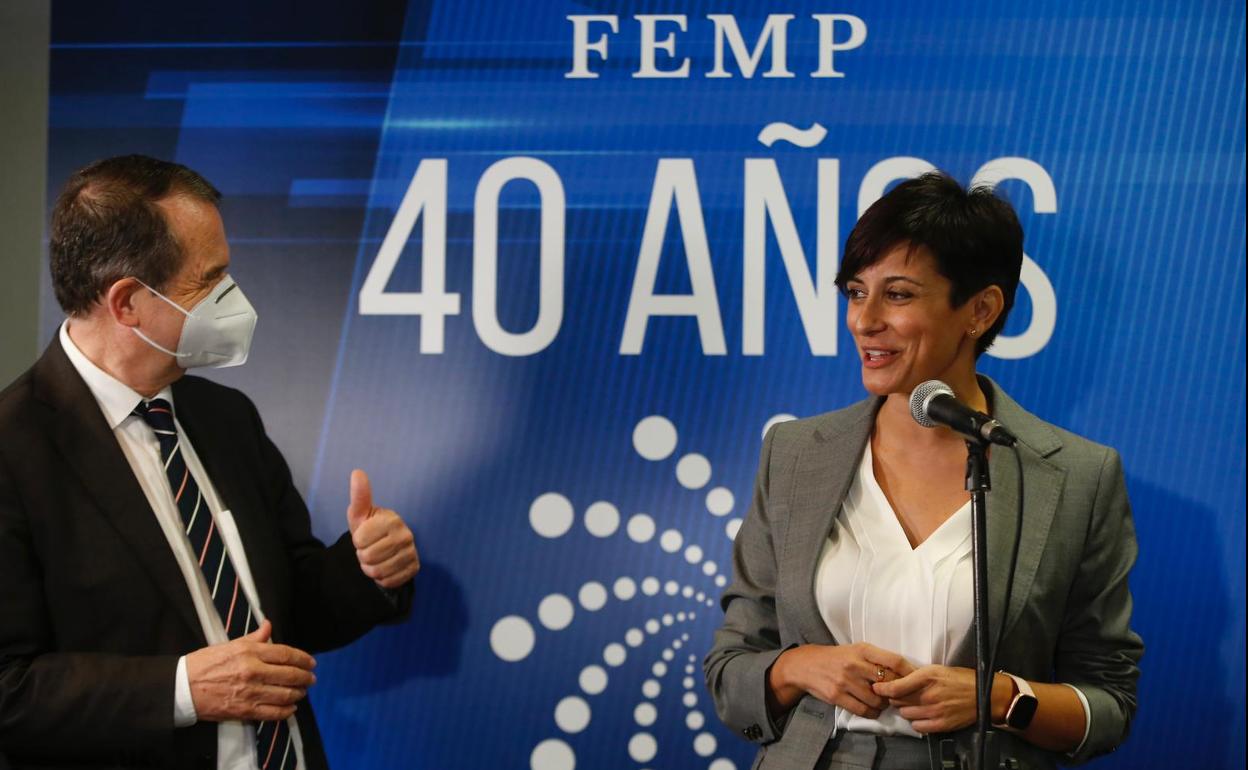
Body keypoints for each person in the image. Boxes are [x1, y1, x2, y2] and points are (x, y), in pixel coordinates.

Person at [704, 172, 1142, 770]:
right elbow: (730, 673)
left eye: (899, 295)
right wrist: (801, 666)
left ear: (980, 310)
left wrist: (1000, 698)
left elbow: (1110, 704)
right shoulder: (795, 454)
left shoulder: (1078, 478)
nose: (864, 320)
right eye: (857, 293)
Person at [0, 156, 421, 769]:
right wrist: (182, 691)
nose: (233, 299)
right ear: (126, 304)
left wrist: (366, 569)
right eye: (209, 279)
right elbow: (9, 690)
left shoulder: (226, 417)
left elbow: (291, 612)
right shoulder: (13, 452)